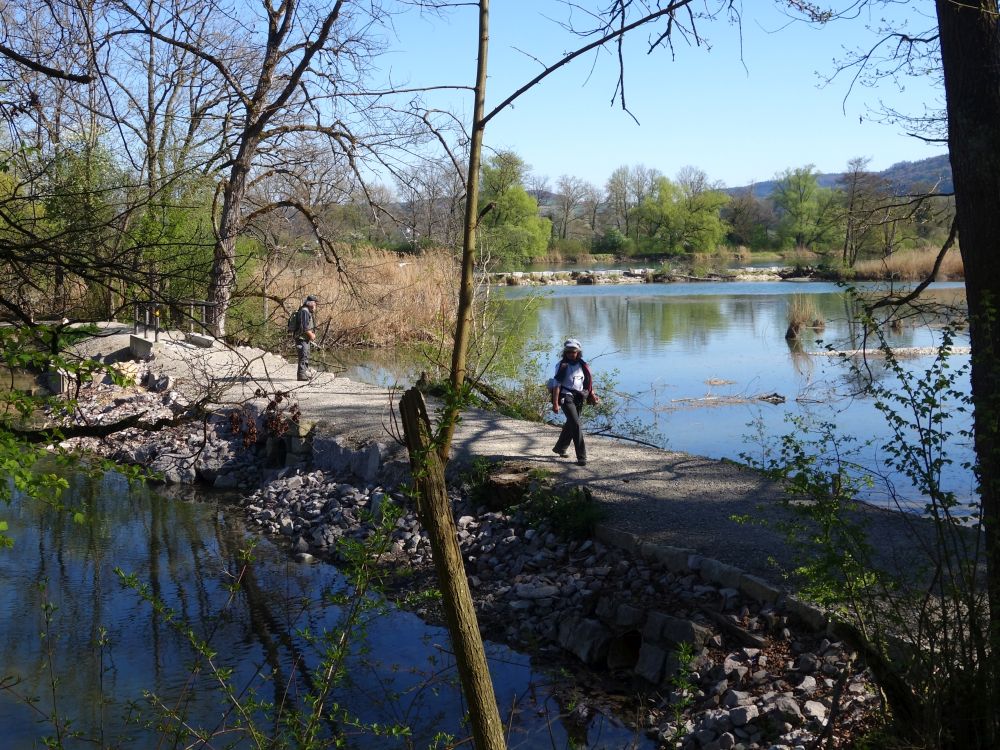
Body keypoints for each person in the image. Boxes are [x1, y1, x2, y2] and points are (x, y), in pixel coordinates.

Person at [549, 338, 599, 465]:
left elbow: (587, 382)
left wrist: (592, 395)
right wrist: (555, 403)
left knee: (571, 423)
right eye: (569, 352)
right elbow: (556, 385)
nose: (571, 354)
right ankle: (581, 457)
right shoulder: (562, 366)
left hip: (579, 397)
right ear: (565, 352)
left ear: (578, 352)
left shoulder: (583, 365)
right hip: (566, 397)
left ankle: (560, 448)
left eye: (574, 351)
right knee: (576, 424)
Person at [295, 295, 318, 381]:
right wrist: (311, 335)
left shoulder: (307, 310)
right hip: (301, 338)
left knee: (305, 355)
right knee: (303, 356)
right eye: (315, 303)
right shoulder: (304, 311)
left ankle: (304, 374)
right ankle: (301, 376)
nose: (315, 305)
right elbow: (304, 327)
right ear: (311, 303)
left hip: (304, 338)